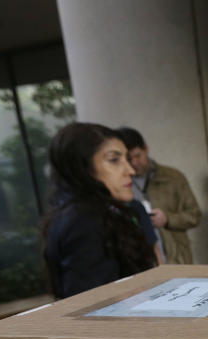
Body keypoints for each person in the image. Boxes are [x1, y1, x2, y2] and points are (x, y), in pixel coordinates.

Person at [42, 123, 157, 298]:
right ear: (82, 168)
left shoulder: (106, 213)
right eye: (114, 160)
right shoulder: (82, 220)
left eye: (127, 159)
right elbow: (90, 306)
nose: (130, 170)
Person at [116, 127, 202, 264]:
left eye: (138, 155)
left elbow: (195, 215)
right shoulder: (119, 184)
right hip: (141, 260)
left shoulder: (173, 177)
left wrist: (168, 219)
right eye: (128, 158)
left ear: (146, 149)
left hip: (176, 258)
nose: (134, 163)